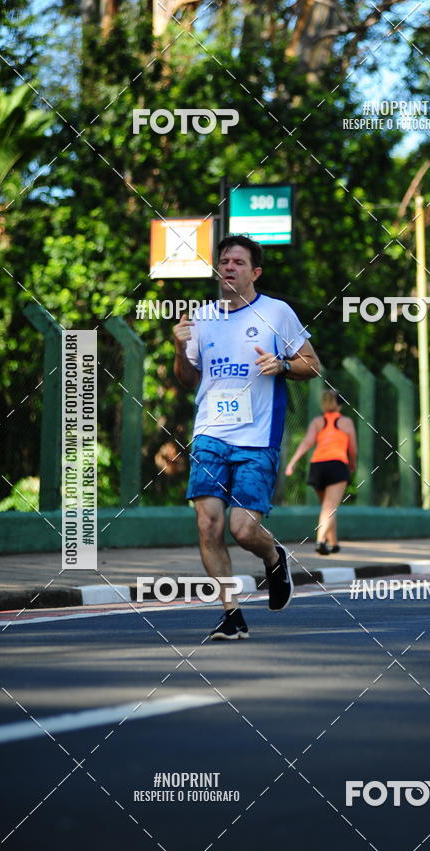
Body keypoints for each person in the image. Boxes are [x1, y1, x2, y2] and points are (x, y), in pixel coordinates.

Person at [173, 235, 321, 640]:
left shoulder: (278, 312)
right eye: (223, 261)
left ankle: (274, 557)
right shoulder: (202, 318)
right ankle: (231, 613)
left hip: (257, 438)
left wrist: (284, 365)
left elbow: (313, 364)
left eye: (238, 262)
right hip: (210, 434)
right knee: (207, 524)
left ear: (255, 272)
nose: (228, 267)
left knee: (242, 529)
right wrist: (177, 347)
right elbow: (187, 381)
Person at [285, 390, 357, 554]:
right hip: (337, 465)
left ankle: (334, 542)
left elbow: (307, 442)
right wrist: (352, 464)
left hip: (317, 466)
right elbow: (353, 448)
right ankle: (320, 540)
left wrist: (292, 462)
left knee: (327, 506)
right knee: (330, 507)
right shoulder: (346, 422)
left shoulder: (317, 421)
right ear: (339, 404)